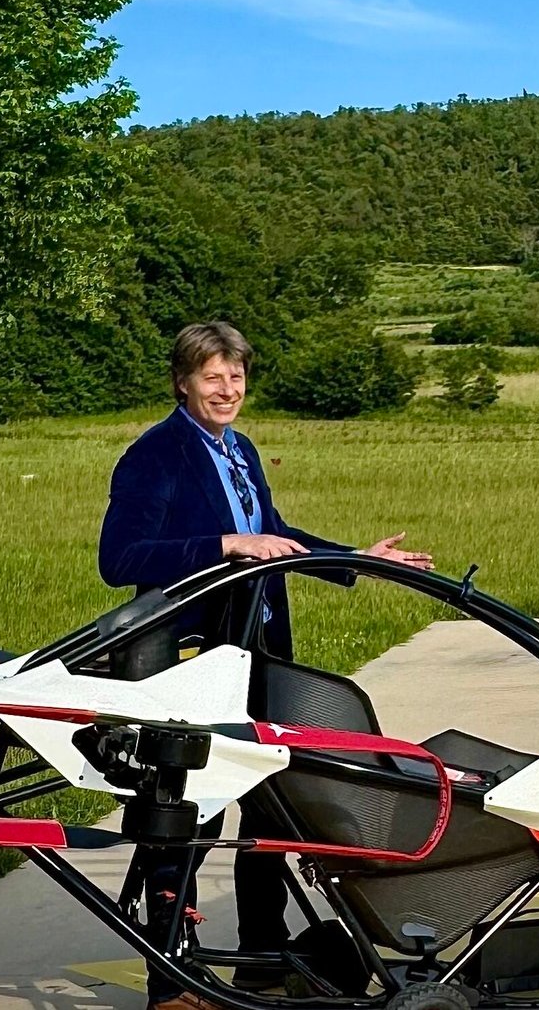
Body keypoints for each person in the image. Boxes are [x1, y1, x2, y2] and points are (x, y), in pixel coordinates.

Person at [99, 320, 432, 1010]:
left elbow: (273, 540)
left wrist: (356, 560)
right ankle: (171, 987)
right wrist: (226, 542)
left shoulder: (239, 450)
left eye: (237, 376)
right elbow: (121, 559)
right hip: (189, 663)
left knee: (267, 802)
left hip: (256, 652)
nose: (228, 389)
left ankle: (259, 958)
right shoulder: (155, 455)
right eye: (213, 376)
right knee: (188, 814)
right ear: (184, 382)